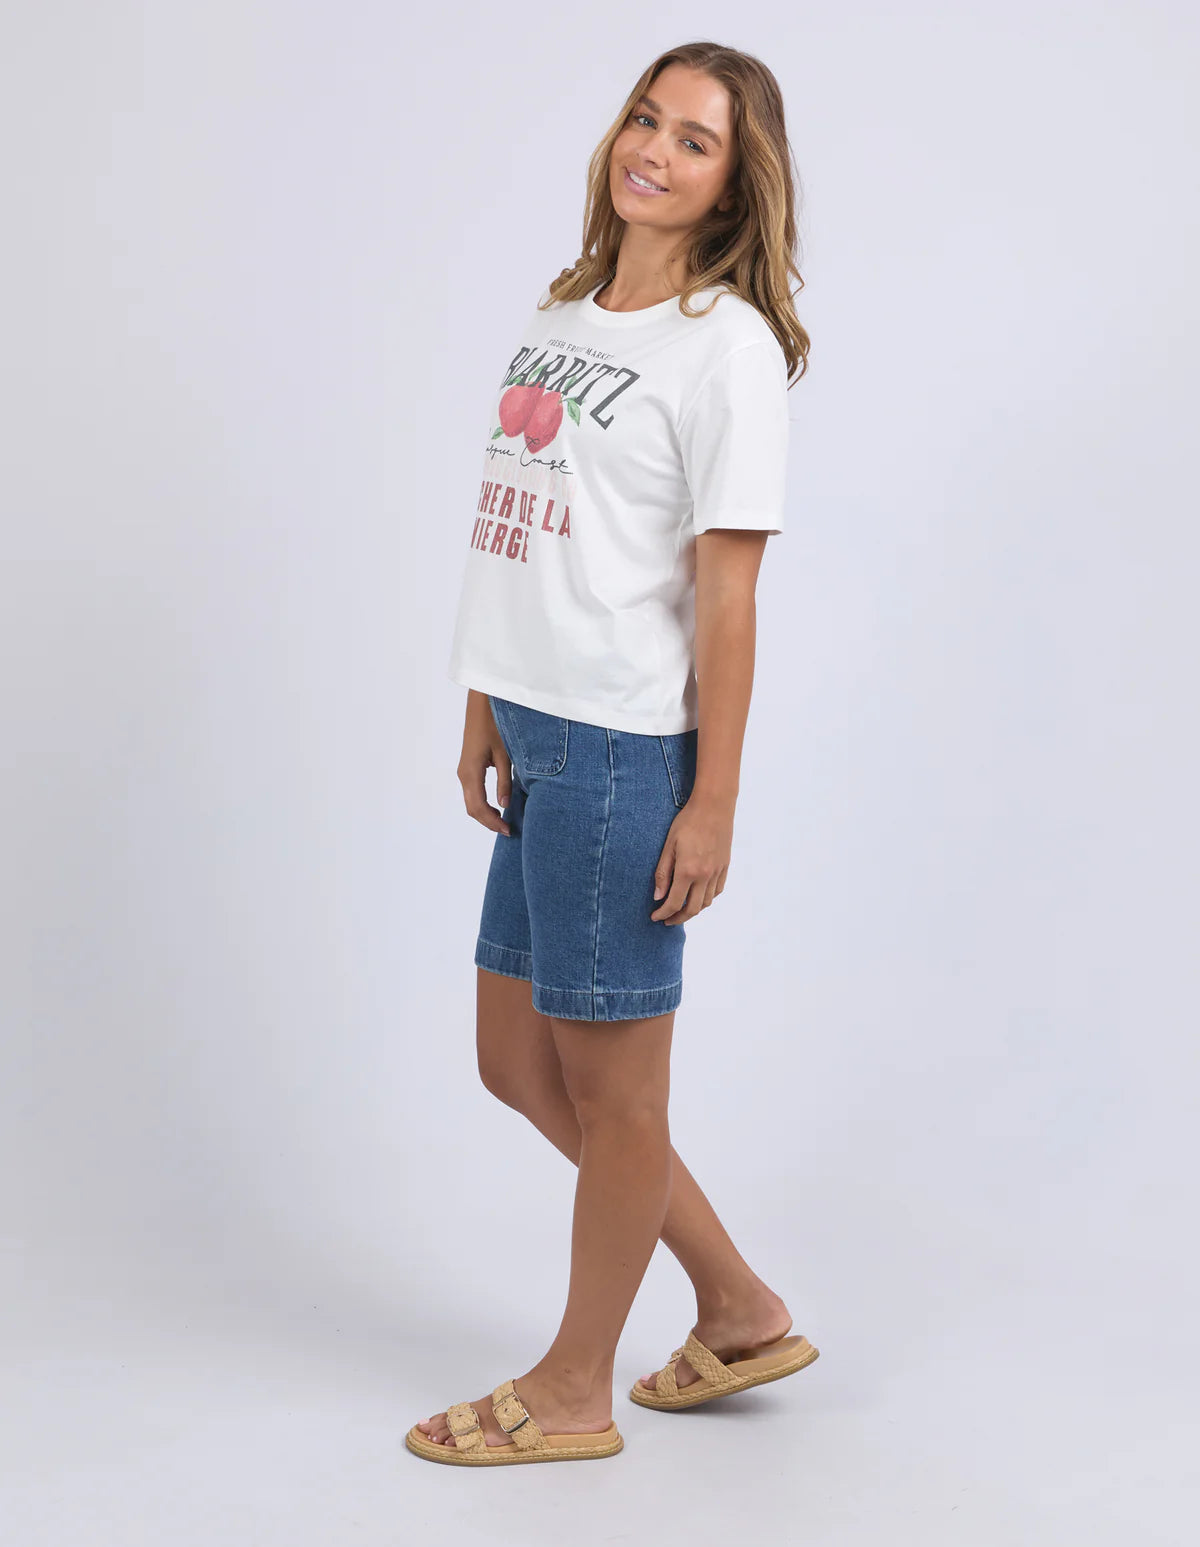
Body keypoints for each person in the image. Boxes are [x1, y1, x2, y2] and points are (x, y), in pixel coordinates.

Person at [407, 39, 817, 1467]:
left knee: (617, 1095)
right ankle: (740, 1306)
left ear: (736, 185)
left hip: (623, 750)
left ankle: (577, 1387)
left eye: (696, 140)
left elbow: (729, 596)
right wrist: (484, 697)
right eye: (647, 118)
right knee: (516, 1062)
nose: (655, 149)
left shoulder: (727, 349)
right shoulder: (567, 313)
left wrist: (714, 799)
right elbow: (525, 529)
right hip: (538, 733)